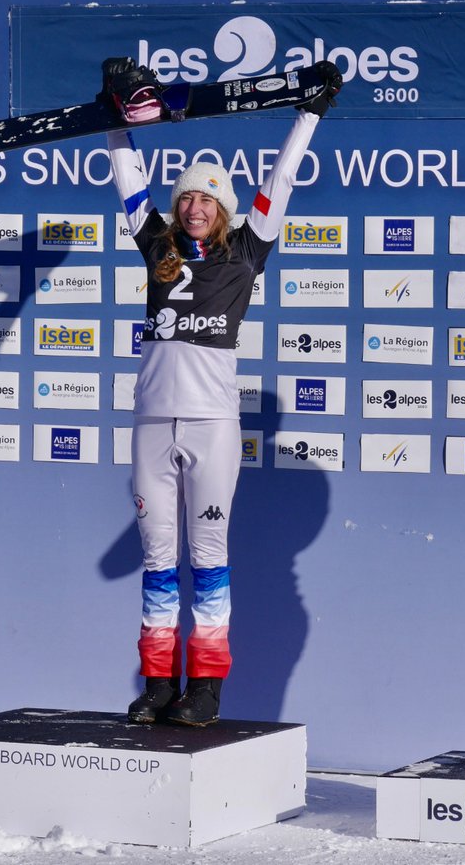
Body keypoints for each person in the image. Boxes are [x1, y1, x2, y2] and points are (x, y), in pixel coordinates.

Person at [104, 58, 341, 726]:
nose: (195, 206)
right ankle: (158, 681)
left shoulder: (248, 251)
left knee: (208, 561)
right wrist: (112, 123)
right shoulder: (158, 249)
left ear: (225, 209)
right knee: (157, 563)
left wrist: (309, 114)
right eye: (187, 198)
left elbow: (282, 180)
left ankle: (204, 687)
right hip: (153, 423)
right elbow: (129, 183)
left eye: (207, 199)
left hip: (211, 425)